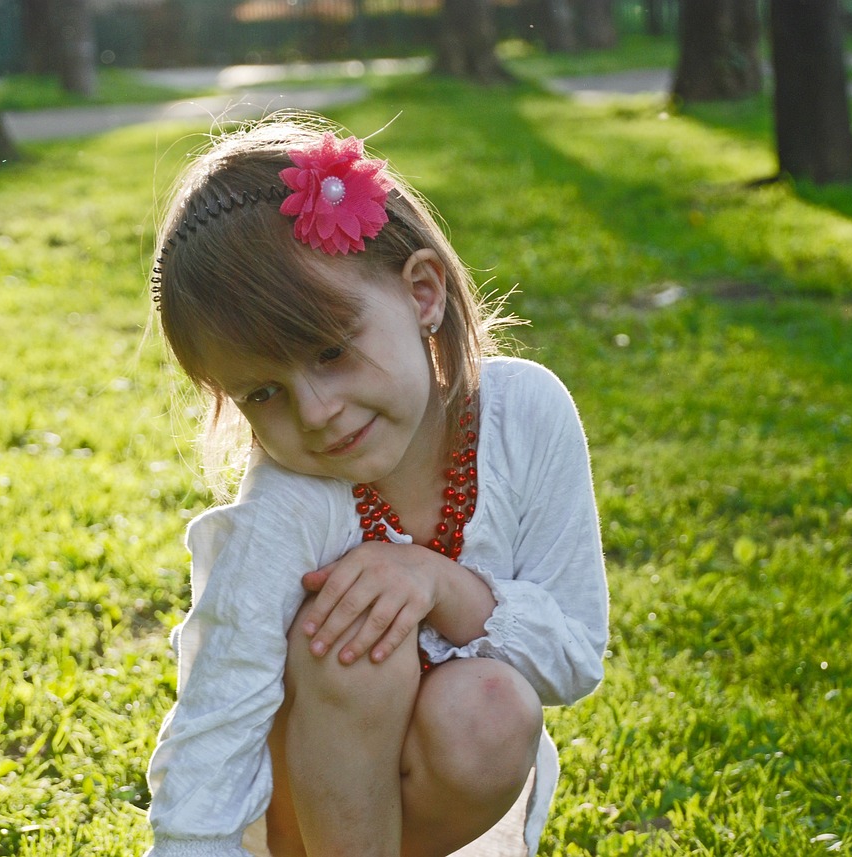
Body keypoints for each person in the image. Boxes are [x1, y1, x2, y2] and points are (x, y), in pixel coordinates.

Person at [144, 113, 608, 857]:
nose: (318, 413)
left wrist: (439, 582)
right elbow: (218, 718)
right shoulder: (292, 497)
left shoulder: (527, 415)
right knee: (353, 640)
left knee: (490, 704)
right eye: (264, 393)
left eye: (331, 350)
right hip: (301, 818)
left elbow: (575, 657)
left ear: (422, 292)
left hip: (436, 792)